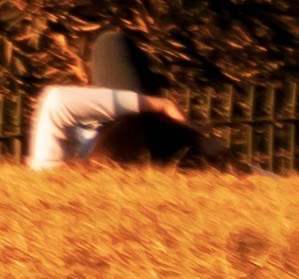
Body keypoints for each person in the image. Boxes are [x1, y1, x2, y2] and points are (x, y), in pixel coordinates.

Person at [29, 24, 205, 172]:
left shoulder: (51, 166)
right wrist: (163, 107)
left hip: (129, 142)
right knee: (110, 43)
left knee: (109, 44)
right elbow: (56, 101)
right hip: (133, 132)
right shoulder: (52, 160)